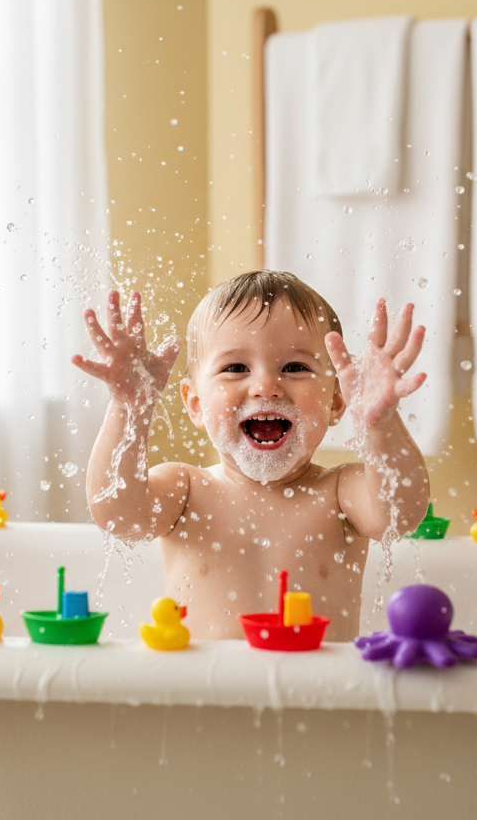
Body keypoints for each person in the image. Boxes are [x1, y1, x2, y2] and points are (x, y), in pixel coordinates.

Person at [72, 271, 430, 640]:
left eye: (295, 368)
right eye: (235, 368)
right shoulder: (186, 490)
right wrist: (130, 407)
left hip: (317, 692)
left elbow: (399, 512)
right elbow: (118, 514)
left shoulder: (340, 491)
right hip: (207, 693)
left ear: (336, 403)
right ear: (195, 404)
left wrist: (380, 425)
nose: (266, 387)